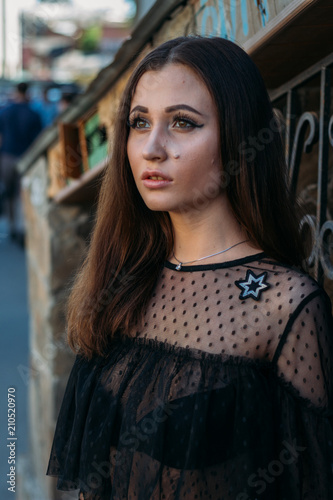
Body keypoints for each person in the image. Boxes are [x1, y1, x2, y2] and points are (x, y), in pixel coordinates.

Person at [46, 36, 333, 499]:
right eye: (140, 123)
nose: (152, 148)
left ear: (240, 136)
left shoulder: (286, 307)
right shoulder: (121, 281)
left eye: (182, 122)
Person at [0, 82, 42, 243]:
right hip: (26, 158)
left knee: (9, 193)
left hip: (7, 157)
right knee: (22, 194)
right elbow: (37, 141)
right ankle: (21, 227)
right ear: (28, 93)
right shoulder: (33, 114)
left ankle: (11, 226)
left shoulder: (5, 112)